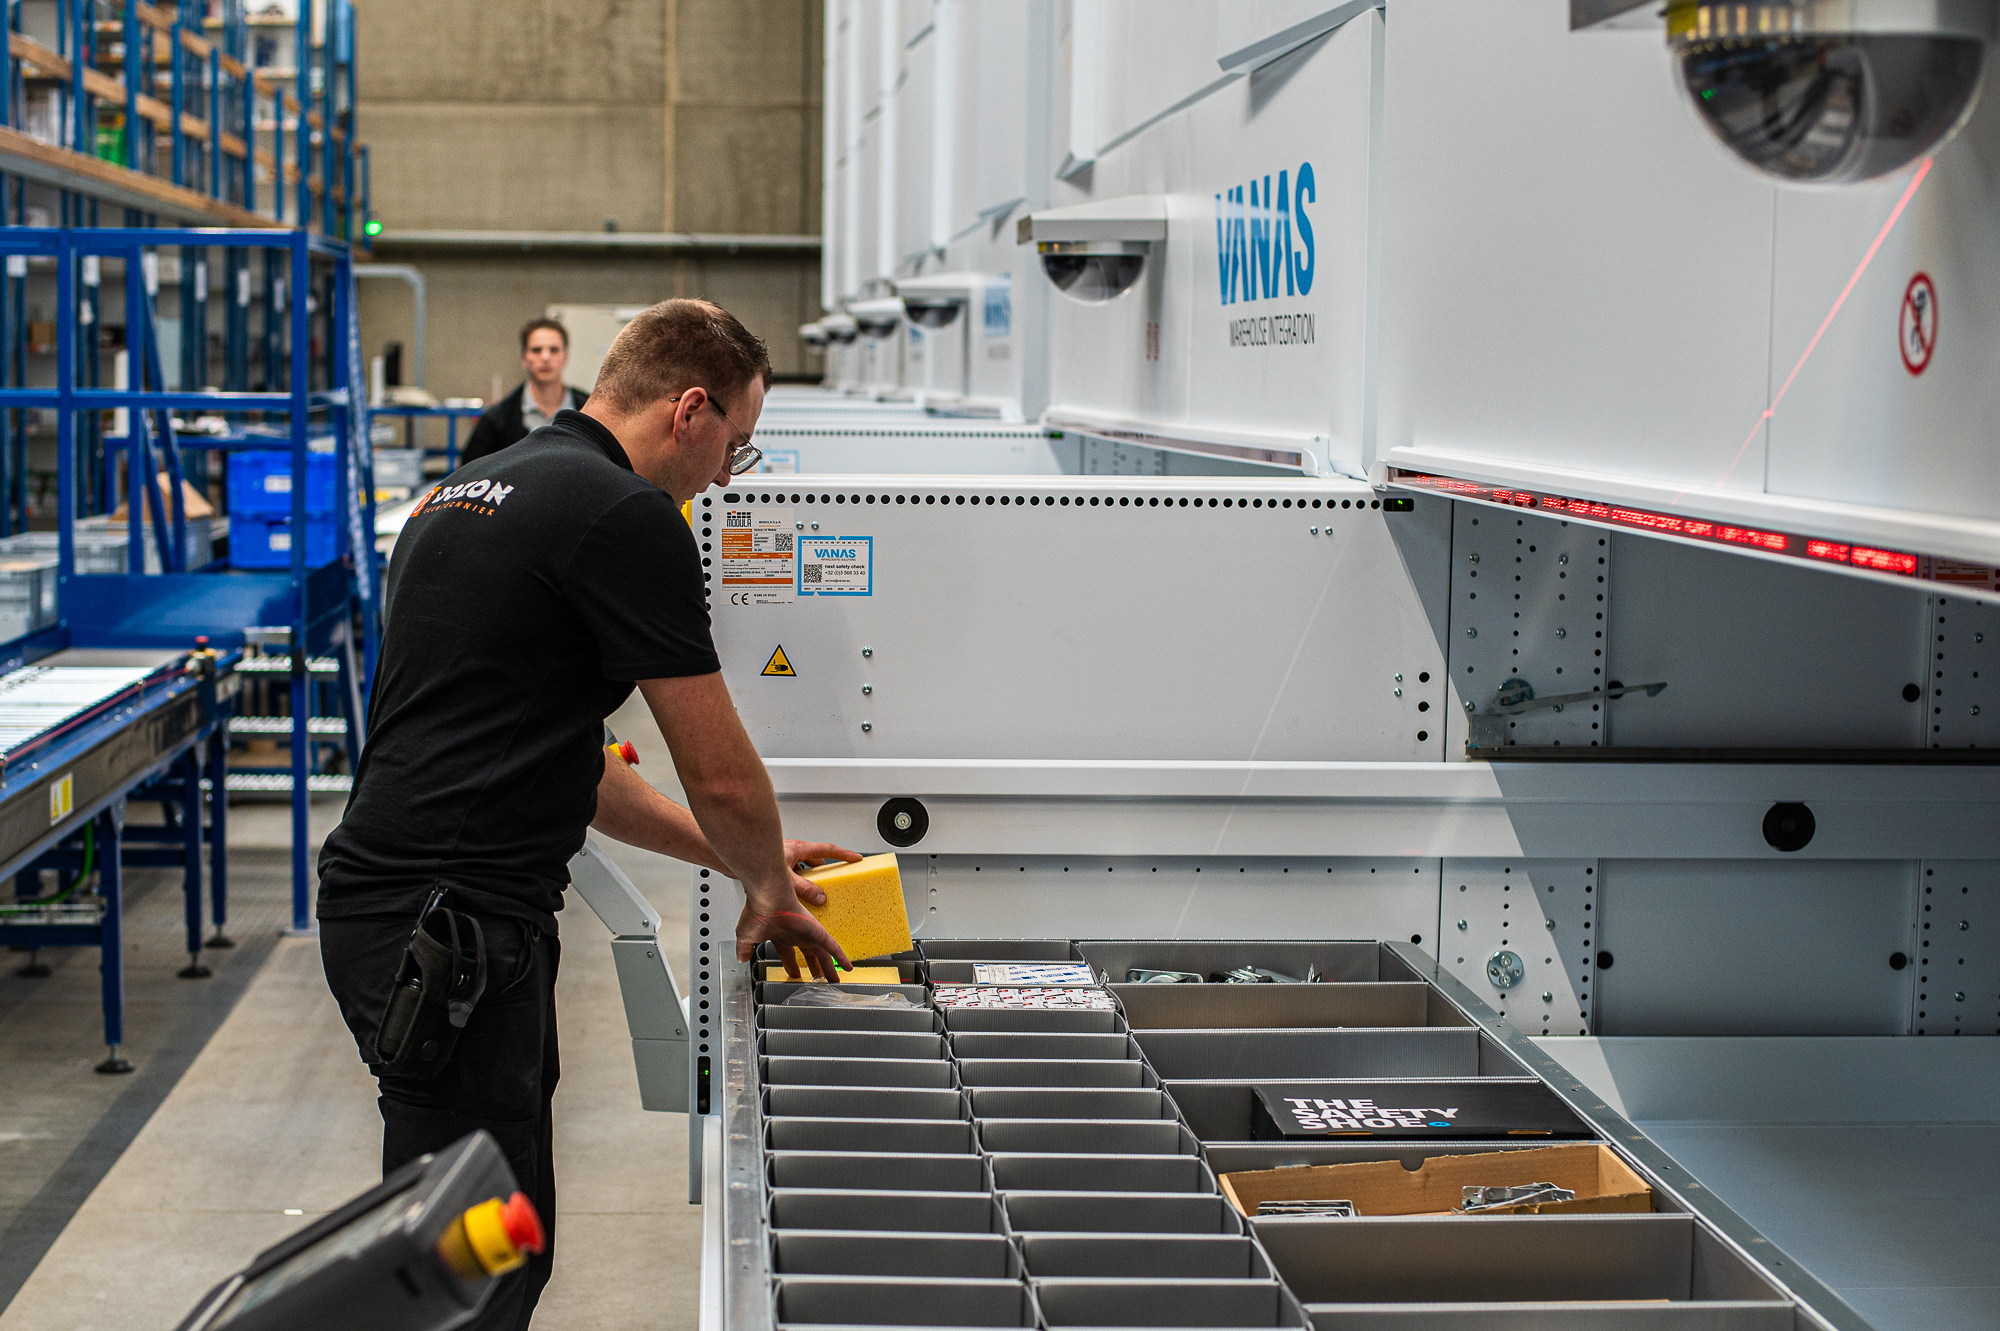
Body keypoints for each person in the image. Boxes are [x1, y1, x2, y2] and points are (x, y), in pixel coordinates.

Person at [317, 298, 855, 1331]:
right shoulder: (623, 514)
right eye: (733, 449)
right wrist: (765, 882)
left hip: (398, 913)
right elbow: (723, 771)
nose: (722, 478)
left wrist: (742, 857)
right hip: (452, 931)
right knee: (474, 1261)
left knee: (475, 1223)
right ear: (688, 408)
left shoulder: (467, 491)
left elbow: (574, 761)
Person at [460, 318, 592, 466]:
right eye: (536, 350)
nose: (545, 357)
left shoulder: (591, 412)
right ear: (524, 358)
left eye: (554, 350)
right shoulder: (496, 421)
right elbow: (470, 474)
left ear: (565, 357)